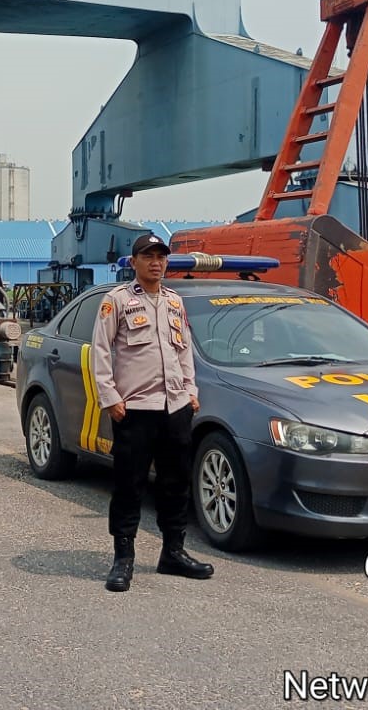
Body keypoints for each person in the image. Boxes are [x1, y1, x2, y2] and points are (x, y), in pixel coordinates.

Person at [90, 233, 215, 592]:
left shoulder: (174, 301)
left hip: (175, 408)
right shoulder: (117, 300)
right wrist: (109, 397)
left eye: (161, 256)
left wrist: (190, 392)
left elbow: (184, 350)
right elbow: (100, 349)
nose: (156, 263)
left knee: (175, 484)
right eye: (148, 256)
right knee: (129, 485)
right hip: (135, 409)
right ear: (134, 263)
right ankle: (123, 559)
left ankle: (173, 552)